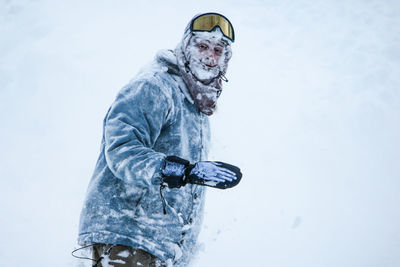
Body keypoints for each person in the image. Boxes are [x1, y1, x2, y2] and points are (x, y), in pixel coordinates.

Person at [77, 12, 242, 267]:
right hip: (128, 238)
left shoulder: (197, 107)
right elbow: (121, 150)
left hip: (162, 251)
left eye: (219, 50)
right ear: (186, 47)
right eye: (202, 46)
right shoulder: (155, 87)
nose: (210, 57)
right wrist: (180, 170)